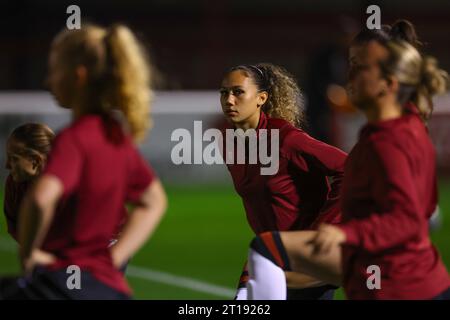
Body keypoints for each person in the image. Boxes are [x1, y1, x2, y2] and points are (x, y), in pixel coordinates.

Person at [245, 23, 450, 300]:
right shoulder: (393, 127)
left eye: (360, 67)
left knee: (269, 251)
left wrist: (346, 234)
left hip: (400, 286)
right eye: (351, 63)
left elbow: (408, 221)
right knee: (275, 259)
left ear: (389, 84)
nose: (349, 75)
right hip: (382, 275)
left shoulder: (390, 140)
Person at [0, 23, 167, 300]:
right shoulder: (115, 136)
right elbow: (154, 202)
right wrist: (114, 259)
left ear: (78, 77)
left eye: (54, 70)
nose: (48, 81)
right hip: (108, 288)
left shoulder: (74, 139)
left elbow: (40, 199)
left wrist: (29, 255)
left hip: (63, 284)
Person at [219, 63, 347, 299]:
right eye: (224, 92)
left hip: (306, 260)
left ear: (261, 98)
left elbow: (351, 170)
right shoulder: (230, 144)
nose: (229, 100)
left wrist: (324, 229)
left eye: (238, 92)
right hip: (270, 255)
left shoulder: (287, 140)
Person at [3, 123, 55, 242]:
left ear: (35, 161)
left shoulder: (73, 185)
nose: (7, 165)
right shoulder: (14, 185)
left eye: (14, 159)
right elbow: (15, 228)